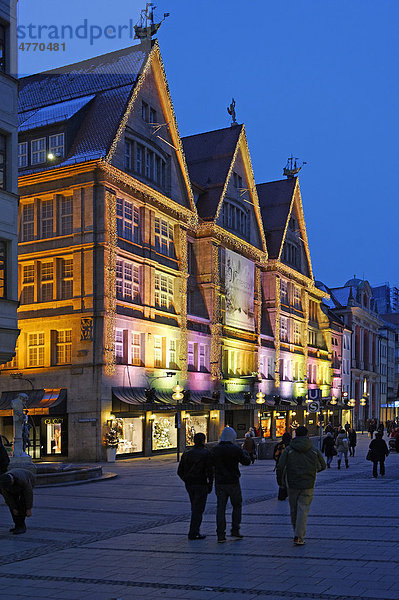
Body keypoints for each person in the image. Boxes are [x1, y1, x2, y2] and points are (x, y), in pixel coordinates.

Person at [276, 426, 326, 546]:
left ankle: (297, 533)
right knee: (303, 509)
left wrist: (280, 482)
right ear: (307, 434)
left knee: (294, 510)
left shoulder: (289, 449)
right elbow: (323, 465)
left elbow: (280, 466)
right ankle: (299, 536)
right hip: (308, 483)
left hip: (292, 483)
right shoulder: (313, 449)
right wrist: (313, 471)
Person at [210, 426, 251, 543]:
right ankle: (235, 530)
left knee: (221, 508)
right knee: (237, 506)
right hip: (233, 481)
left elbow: (210, 464)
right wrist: (244, 453)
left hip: (220, 482)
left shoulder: (215, 449)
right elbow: (246, 462)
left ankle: (221, 534)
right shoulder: (235, 449)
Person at [177, 432, 213, 540]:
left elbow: (179, 471)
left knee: (195, 507)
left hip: (190, 485)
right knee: (198, 509)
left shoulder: (187, 453)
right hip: (201, 484)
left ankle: (194, 531)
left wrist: (186, 480)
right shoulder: (206, 453)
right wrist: (210, 484)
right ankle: (193, 532)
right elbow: (210, 471)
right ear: (203, 441)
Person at [0, 468, 36, 534]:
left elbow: (28, 494)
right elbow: (8, 498)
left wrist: (28, 508)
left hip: (28, 479)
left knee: (22, 504)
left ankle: (22, 526)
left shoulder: (22, 480)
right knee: (14, 506)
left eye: (10, 485)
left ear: (12, 480)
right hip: (14, 486)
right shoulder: (3, 484)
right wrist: (13, 508)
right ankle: (17, 525)